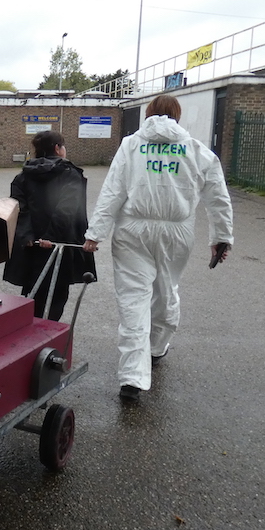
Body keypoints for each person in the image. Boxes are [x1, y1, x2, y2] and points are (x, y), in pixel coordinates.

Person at [81, 94, 233, 403]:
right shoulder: (196, 150)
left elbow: (113, 190)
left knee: (133, 301)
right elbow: (217, 197)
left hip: (132, 229)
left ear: (148, 114)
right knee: (166, 290)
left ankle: (133, 377)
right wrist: (221, 237)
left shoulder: (132, 145)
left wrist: (96, 232)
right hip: (176, 232)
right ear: (178, 115)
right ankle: (156, 347)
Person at [3, 130, 97, 321]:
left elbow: (18, 209)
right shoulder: (70, 174)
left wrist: (28, 235)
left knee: (32, 292)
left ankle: (28, 336)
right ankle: (44, 338)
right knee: (56, 296)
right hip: (59, 246)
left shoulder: (23, 176)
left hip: (33, 246)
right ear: (57, 148)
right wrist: (51, 237)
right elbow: (66, 211)